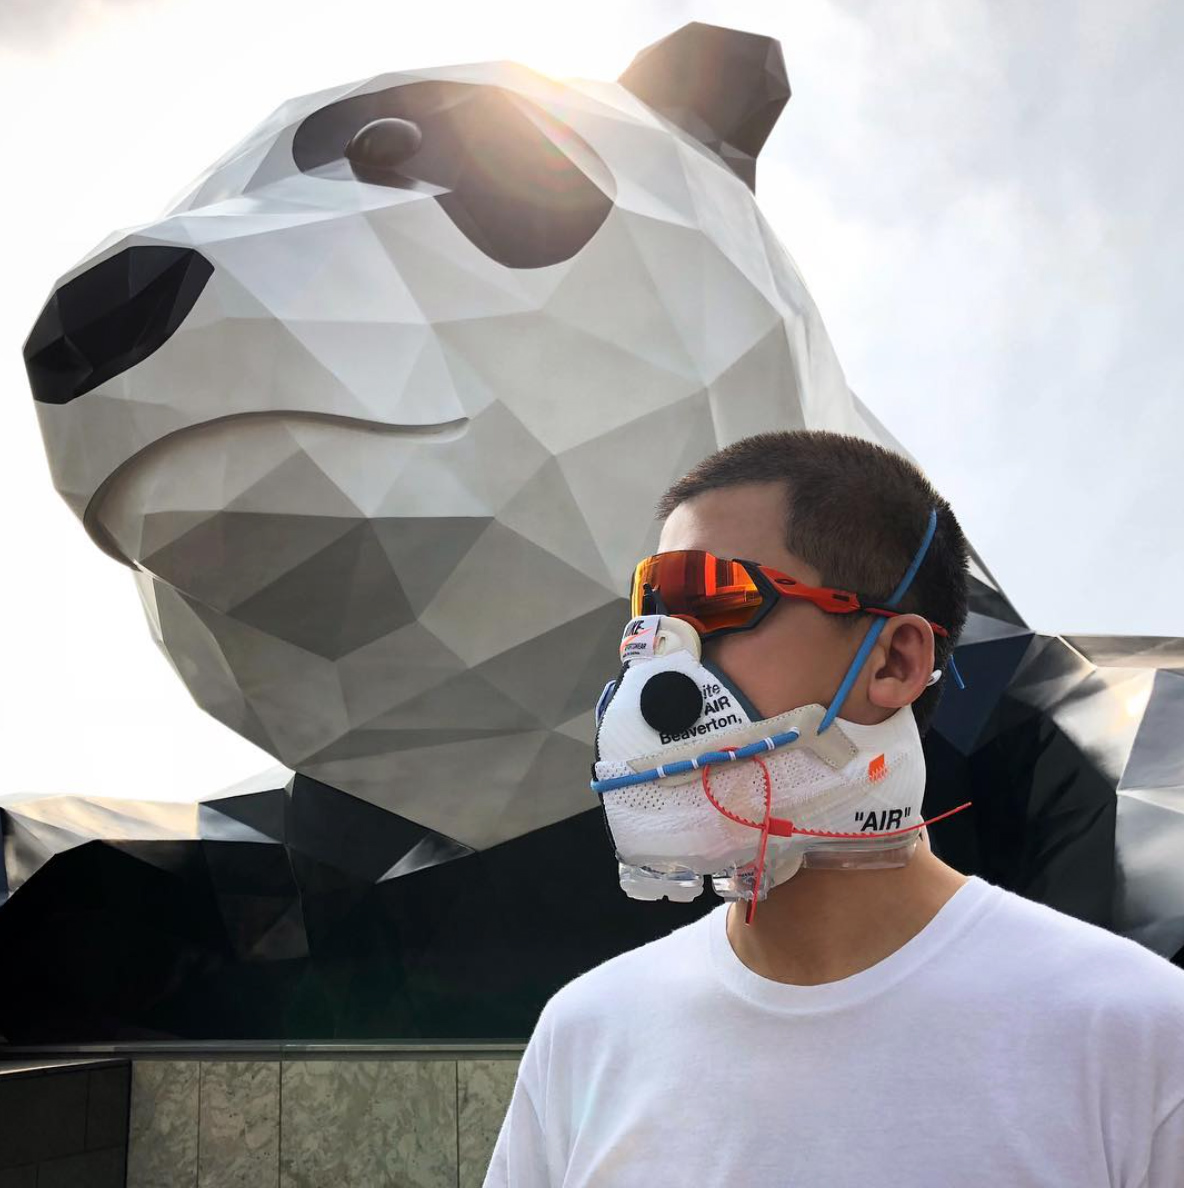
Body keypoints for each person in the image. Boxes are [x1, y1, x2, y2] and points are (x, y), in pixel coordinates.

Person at [483, 429, 1184, 1187]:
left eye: (715, 603)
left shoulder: (1135, 1036)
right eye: (649, 617)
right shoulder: (585, 1037)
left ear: (896, 661)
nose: (657, 667)